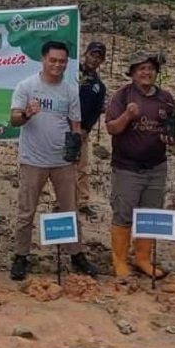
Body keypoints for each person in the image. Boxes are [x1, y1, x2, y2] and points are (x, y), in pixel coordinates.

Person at [9, 40, 98, 281]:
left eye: (61, 61)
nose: (57, 65)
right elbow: (14, 119)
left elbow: (76, 125)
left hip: (62, 161)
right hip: (32, 159)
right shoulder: (26, 86)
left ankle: (76, 254)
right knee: (26, 212)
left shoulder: (70, 90)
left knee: (69, 210)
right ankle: (21, 256)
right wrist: (27, 113)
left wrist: (76, 149)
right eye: (53, 60)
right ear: (43, 59)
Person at [104, 50, 175, 279]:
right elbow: (111, 128)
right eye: (141, 69)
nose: (147, 73)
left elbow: (174, 133)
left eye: (151, 69)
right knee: (123, 214)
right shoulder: (122, 96)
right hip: (127, 167)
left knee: (149, 215)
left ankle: (143, 259)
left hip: (156, 167)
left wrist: (171, 139)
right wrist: (127, 115)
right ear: (133, 73)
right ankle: (120, 261)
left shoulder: (166, 98)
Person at [76, 41, 108, 217]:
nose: (94, 59)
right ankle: (61, 201)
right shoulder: (71, 72)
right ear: (85, 53)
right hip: (62, 126)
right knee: (61, 167)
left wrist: (86, 128)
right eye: (92, 55)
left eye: (99, 57)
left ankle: (82, 201)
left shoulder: (98, 86)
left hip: (82, 130)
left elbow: (97, 110)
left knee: (82, 166)